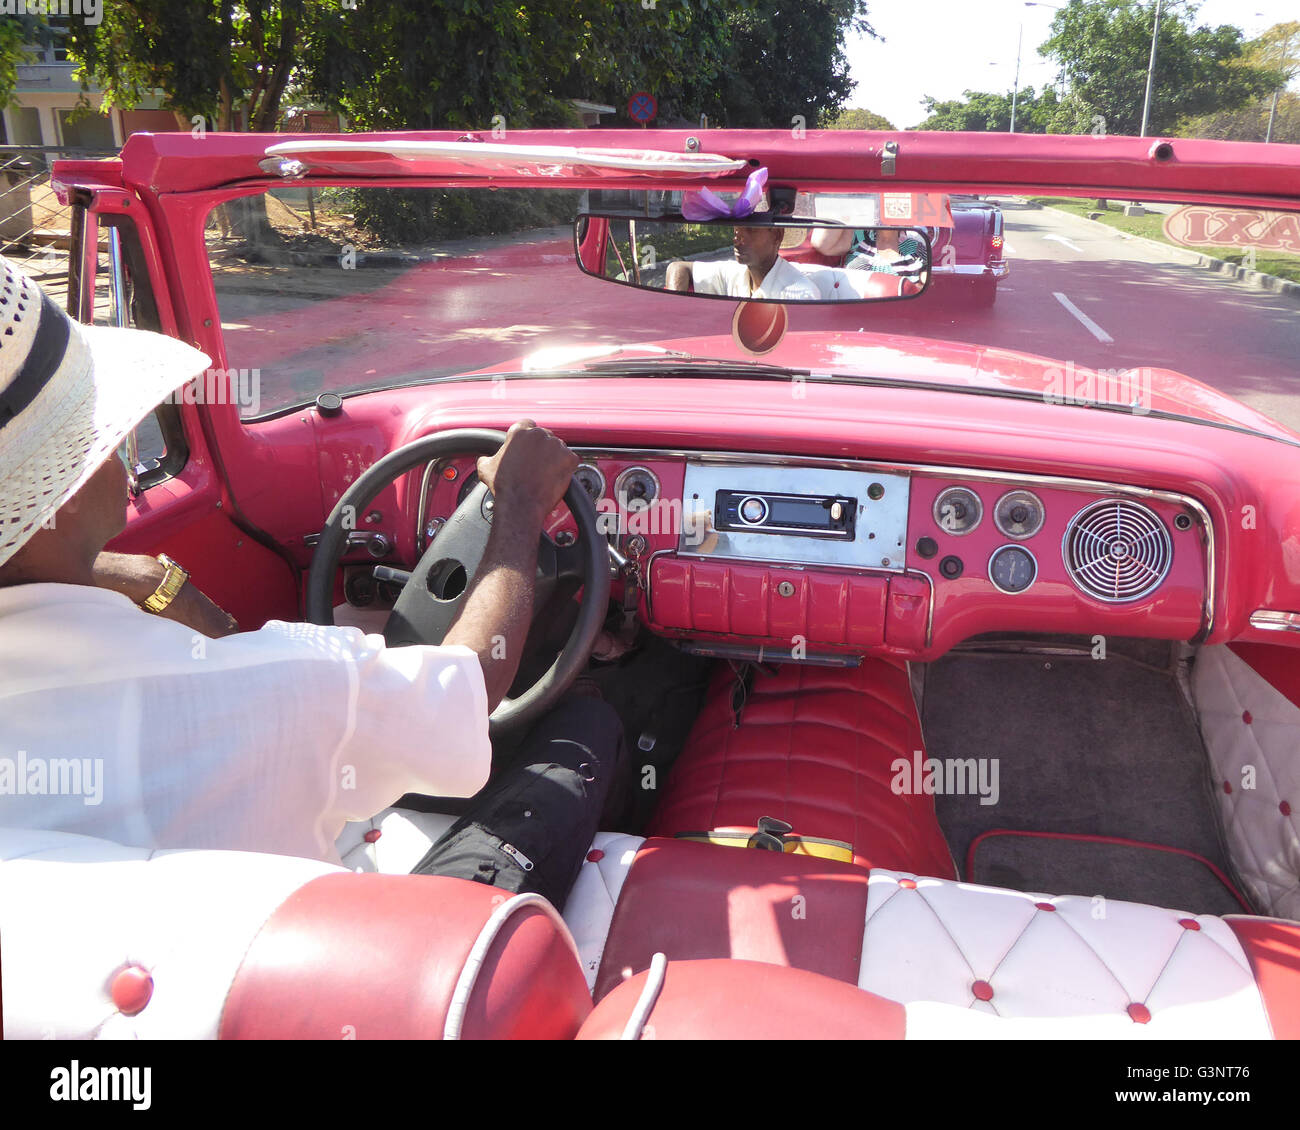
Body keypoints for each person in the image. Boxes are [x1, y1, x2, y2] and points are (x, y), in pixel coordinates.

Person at [0, 255, 624, 911]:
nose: (130, 454)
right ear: (57, 499)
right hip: (342, 976)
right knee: (587, 722)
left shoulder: (260, 689)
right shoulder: (281, 690)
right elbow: (466, 691)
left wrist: (142, 581)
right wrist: (520, 509)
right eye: (109, 443)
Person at [664, 223, 819, 300]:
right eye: (736, 229)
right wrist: (676, 310)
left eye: (750, 230)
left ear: (777, 235)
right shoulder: (734, 273)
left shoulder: (800, 294)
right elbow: (678, 267)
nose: (737, 239)